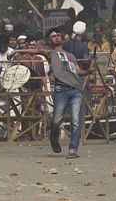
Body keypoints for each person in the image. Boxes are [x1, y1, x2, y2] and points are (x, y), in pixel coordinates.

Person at [40, 29, 93, 158]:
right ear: (49, 40)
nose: (57, 37)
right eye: (53, 36)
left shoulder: (71, 55)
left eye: (58, 35)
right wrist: (16, 51)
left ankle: (73, 149)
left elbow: (77, 70)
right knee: (56, 120)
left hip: (75, 89)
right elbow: (36, 51)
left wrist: (88, 71)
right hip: (61, 90)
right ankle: (53, 137)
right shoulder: (51, 53)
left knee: (76, 119)